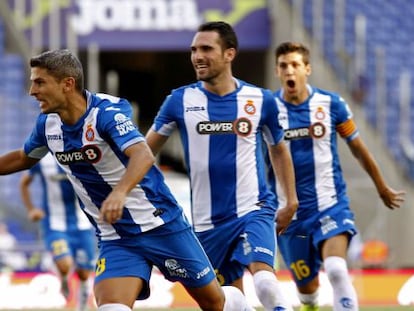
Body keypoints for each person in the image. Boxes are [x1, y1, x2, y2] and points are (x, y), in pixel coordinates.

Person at [0, 49, 253, 311]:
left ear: (67, 84)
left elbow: (143, 155)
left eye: (40, 82)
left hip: (161, 224)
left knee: (215, 304)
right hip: (116, 235)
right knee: (111, 307)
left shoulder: (106, 113)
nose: (32, 91)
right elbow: (22, 158)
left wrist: (120, 193)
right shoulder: (47, 126)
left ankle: (238, 303)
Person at [146, 21, 298, 311]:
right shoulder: (178, 101)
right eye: (193, 50)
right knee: (229, 302)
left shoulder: (260, 100)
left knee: (265, 283)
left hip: (253, 208)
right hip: (206, 223)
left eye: (206, 49)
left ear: (229, 54)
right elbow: (143, 152)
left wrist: (290, 200)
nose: (197, 56)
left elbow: (279, 150)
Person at [269, 41, 406, 311]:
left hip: (330, 206)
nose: (289, 71)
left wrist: (382, 188)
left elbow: (358, 149)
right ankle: (311, 304)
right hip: (289, 216)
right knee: (307, 291)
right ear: (276, 71)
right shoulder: (267, 109)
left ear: (307, 69)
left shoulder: (331, 104)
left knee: (336, 269)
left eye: (295, 65)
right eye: (283, 66)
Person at [20, 152, 96, 311]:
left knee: (84, 273)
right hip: (54, 224)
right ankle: (63, 278)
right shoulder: (42, 158)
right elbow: (24, 182)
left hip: (82, 225)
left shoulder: (80, 153)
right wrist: (31, 209)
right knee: (65, 264)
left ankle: (82, 306)